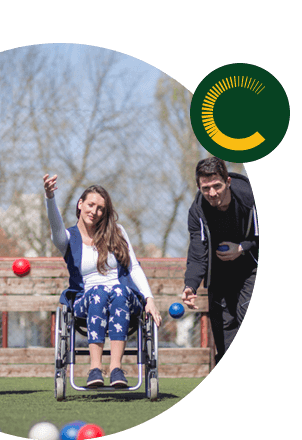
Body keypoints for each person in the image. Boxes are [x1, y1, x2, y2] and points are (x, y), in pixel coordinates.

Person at [44, 174, 161, 388]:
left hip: (123, 298)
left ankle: (116, 368)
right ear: (80, 204)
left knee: (117, 291)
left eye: (100, 209)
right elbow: (55, 226)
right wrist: (50, 197)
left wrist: (149, 298)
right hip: (86, 300)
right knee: (98, 292)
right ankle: (94, 368)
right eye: (91, 205)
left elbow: (134, 266)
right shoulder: (68, 238)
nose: (95, 212)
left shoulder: (117, 232)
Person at [182, 157, 258, 363]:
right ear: (199, 186)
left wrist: (242, 248)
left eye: (217, 186)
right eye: (206, 188)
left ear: (228, 182)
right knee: (224, 336)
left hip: (250, 269)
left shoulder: (249, 200)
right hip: (219, 276)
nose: (212, 193)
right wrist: (190, 285)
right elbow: (198, 252)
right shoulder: (197, 211)